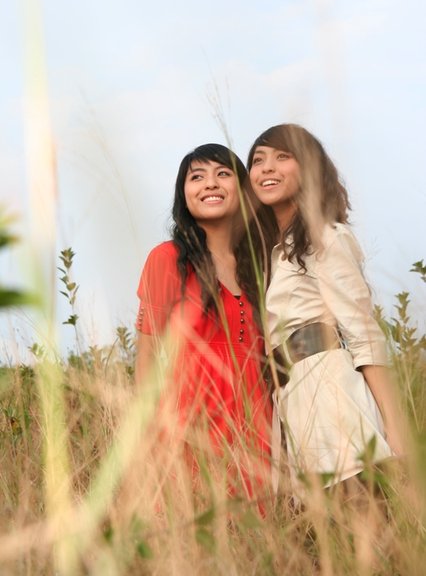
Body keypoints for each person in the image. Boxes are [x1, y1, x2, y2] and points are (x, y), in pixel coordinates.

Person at [246, 123, 405, 495]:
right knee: (322, 527)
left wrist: (397, 431)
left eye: (282, 157)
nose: (267, 167)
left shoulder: (325, 237)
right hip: (293, 401)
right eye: (258, 160)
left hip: (333, 398)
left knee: (361, 514)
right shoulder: (271, 253)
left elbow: (363, 334)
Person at [135, 143, 272, 499]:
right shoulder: (167, 259)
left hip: (257, 427)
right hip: (189, 427)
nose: (210, 183)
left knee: (259, 527)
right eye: (197, 177)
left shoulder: (262, 265)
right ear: (184, 194)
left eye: (223, 174)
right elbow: (146, 358)